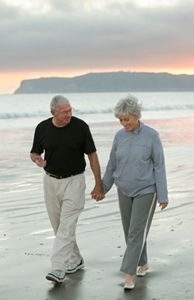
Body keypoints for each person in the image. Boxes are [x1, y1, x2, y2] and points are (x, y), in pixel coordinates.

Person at [96, 95, 168, 290]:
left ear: (136, 116)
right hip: (124, 189)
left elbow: (159, 165)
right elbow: (112, 164)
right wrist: (103, 187)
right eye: (120, 119)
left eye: (126, 119)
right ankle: (143, 262)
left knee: (135, 232)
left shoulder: (151, 135)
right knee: (130, 233)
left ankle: (129, 274)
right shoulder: (119, 136)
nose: (123, 123)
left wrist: (163, 194)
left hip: (146, 190)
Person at [30, 95, 104, 284]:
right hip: (50, 182)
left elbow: (92, 155)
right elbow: (34, 152)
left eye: (70, 110)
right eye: (64, 112)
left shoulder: (80, 127)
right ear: (53, 112)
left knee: (66, 225)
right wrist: (37, 159)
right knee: (59, 226)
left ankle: (58, 268)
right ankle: (76, 259)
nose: (68, 115)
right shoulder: (42, 128)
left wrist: (98, 183)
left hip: (75, 182)